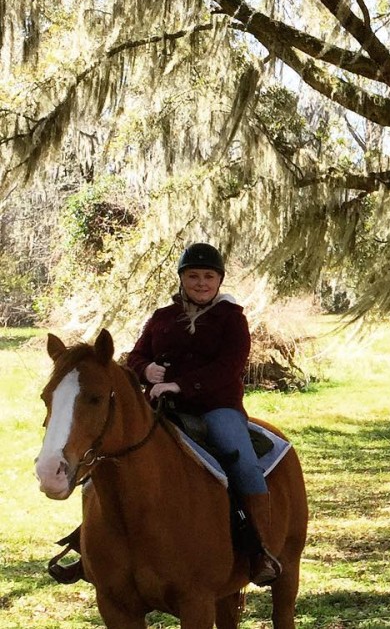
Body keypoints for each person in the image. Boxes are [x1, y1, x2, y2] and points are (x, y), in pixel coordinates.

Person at [123, 242, 282, 586]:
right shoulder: (162, 317)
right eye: (192, 276)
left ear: (219, 280)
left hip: (217, 408)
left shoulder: (232, 318)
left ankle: (260, 550)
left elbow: (229, 367)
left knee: (241, 458)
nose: (200, 283)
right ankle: (93, 544)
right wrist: (145, 369)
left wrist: (179, 385)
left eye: (208, 276)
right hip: (162, 410)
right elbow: (134, 356)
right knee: (117, 452)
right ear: (182, 279)